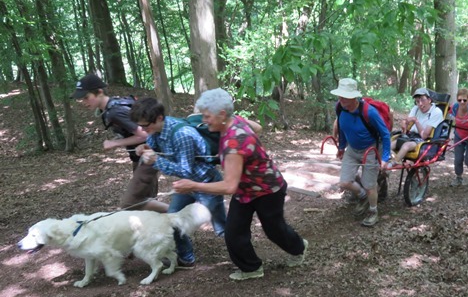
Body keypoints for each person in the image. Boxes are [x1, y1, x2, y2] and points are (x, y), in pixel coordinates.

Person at [172, 88, 307, 281]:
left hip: (267, 190)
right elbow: (258, 127)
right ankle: (251, 268)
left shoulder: (234, 142)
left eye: (207, 116)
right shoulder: (234, 121)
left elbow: (228, 187)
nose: (204, 120)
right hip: (245, 189)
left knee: (274, 230)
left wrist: (193, 185)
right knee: (233, 231)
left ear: (222, 114)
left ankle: (299, 247)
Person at [130, 97, 227, 268]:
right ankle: (186, 258)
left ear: (159, 118)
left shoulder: (182, 135)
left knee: (221, 227)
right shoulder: (157, 132)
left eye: (146, 125)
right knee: (172, 220)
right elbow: (154, 147)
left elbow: (185, 170)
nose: (143, 129)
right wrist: (144, 148)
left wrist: (156, 161)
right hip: (186, 186)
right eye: (141, 126)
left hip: (207, 183)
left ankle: (242, 256)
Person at [71, 73, 167, 213]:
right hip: (142, 156)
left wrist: (115, 143)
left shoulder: (114, 111)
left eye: (86, 97)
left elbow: (144, 135)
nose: (84, 102)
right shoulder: (113, 106)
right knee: (143, 201)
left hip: (148, 156)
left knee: (135, 203)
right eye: (81, 99)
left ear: (99, 92)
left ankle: (176, 215)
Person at [331, 78, 391, 227]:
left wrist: (385, 157)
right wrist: (341, 148)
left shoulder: (369, 112)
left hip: (370, 149)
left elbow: (385, 134)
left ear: (354, 97)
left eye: (345, 96)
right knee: (345, 182)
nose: (341, 98)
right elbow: (343, 129)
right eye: (340, 95)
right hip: (352, 149)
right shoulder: (340, 108)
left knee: (370, 185)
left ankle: (373, 211)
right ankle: (362, 196)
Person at [387, 88, 444, 166]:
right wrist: (404, 122)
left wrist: (416, 121)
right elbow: (407, 121)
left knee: (406, 146)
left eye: (423, 100)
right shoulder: (416, 109)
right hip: (410, 136)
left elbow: (424, 136)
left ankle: (391, 166)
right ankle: (389, 162)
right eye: (417, 101)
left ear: (429, 100)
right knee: (389, 145)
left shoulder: (436, 112)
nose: (420, 104)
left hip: (424, 141)